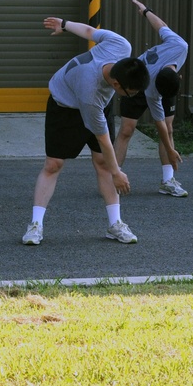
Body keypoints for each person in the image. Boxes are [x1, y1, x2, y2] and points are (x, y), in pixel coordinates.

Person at [21, 17, 150, 246]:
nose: (131, 96)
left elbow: (90, 31)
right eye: (130, 92)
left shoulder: (121, 46)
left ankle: (115, 224)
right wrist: (117, 173)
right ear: (117, 85)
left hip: (97, 102)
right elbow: (104, 140)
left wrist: (64, 23)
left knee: (102, 162)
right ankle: (35, 225)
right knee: (54, 164)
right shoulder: (91, 93)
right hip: (65, 106)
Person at [114, 0, 189, 196]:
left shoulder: (180, 46)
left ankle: (168, 181)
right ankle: (113, 177)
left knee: (170, 128)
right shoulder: (151, 91)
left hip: (162, 82)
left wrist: (146, 11)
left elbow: (162, 26)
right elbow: (158, 124)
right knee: (126, 130)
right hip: (136, 82)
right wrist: (172, 151)